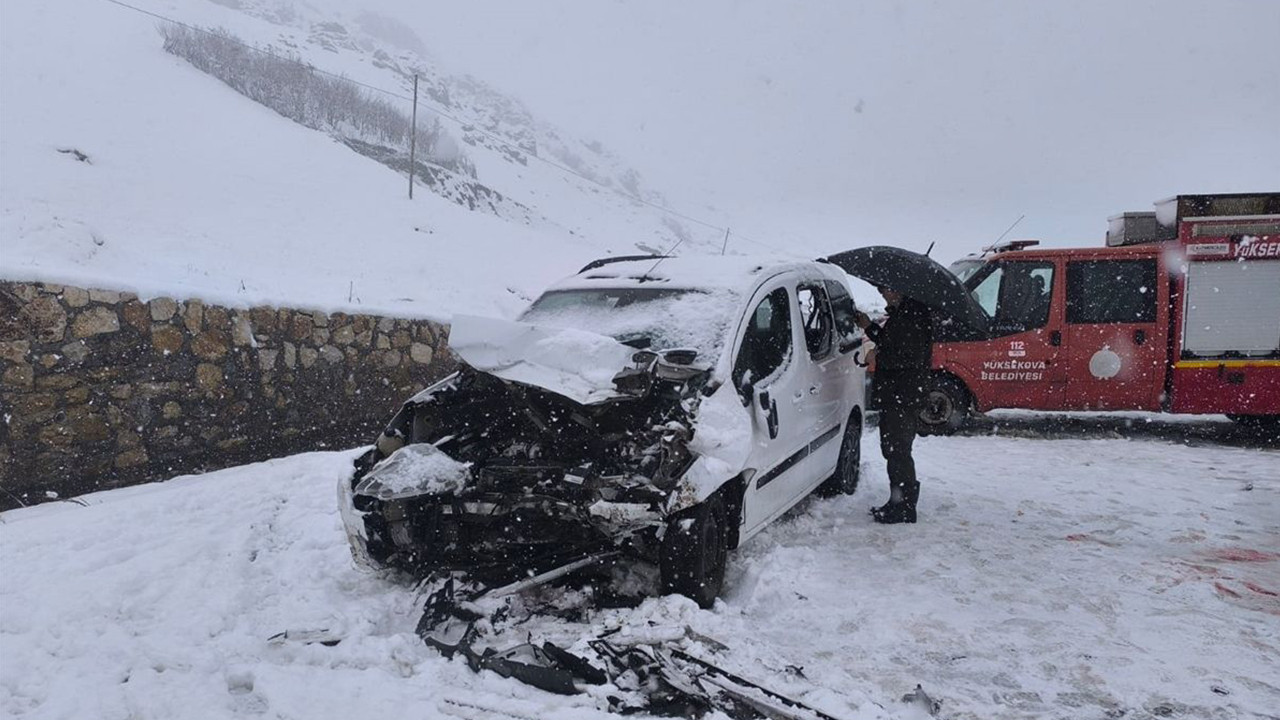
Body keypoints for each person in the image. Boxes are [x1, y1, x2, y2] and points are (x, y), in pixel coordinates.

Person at [853, 287, 934, 524]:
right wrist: (869, 326)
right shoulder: (904, 313)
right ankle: (898, 502)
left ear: (898, 289)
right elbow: (894, 343)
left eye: (884, 290)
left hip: (903, 394)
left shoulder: (914, 316)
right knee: (893, 449)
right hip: (898, 394)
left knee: (898, 450)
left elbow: (909, 356)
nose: (882, 294)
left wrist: (877, 357)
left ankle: (904, 507)